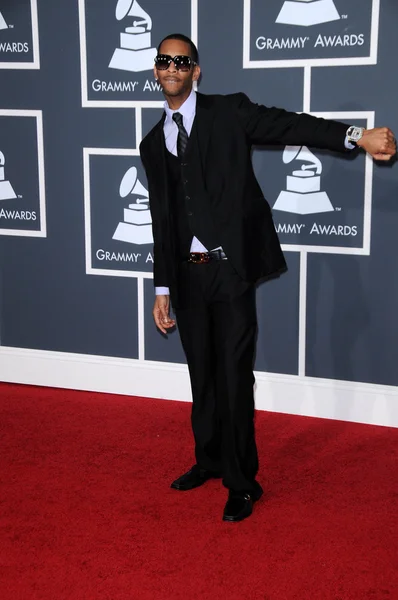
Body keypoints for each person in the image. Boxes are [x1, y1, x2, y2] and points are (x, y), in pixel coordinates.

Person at [139, 33, 396, 523]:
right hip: (188, 279)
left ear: (196, 71)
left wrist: (355, 137)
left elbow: (287, 125)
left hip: (230, 272)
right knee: (203, 377)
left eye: (182, 60)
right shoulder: (153, 144)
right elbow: (161, 219)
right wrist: (162, 287)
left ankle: (242, 483)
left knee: (234, 378)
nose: (172, 67)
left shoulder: (228, 111)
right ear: (156, 71)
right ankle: (209, 461)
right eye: (163, 60)